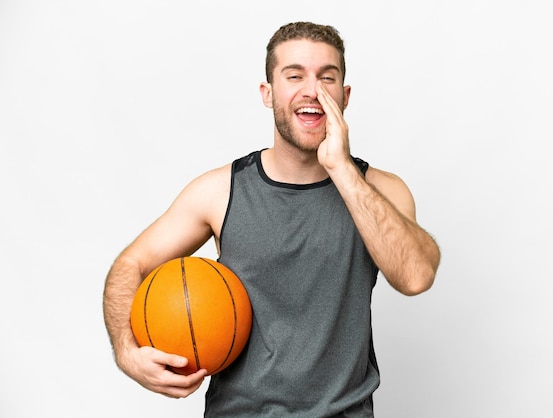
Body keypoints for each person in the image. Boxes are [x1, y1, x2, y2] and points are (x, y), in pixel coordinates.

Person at [103, 21, 440, 417]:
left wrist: (341, 168)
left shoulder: (380, 190)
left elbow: (416, 276)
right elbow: (131, 264)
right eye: (294, 75)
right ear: (268, 93)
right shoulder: (219, 191)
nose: (311, 91)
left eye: (326, 78)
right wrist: (127, 350)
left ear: (344, 96)